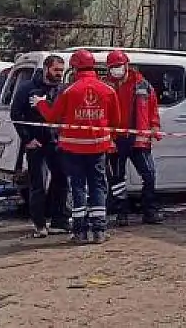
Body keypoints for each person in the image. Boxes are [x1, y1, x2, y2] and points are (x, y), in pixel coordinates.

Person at [31, 49, 119, 245]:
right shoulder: (108, 90)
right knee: (98, 187)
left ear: (74, 67)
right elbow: (116, 120)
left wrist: (41, 104)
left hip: (73, 150)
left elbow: (52, 117)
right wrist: (108, 138)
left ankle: (79, 232)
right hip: (98, 148)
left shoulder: (69, 91)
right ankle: (99, 231)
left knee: (78, 187)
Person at [11, 55, 70, 237]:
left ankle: (58, 221)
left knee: (61, 181)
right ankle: (39, 224)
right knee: (38, 184)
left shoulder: (62, 89)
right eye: (56, 70)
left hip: (56, 142)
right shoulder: (27, 88)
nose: (59, 74)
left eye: (61, 71)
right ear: (46, 69)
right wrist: (27, 139)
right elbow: (15, 114)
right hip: (35, 143)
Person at [104, 50, 163, 226]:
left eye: (118, 66)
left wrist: (154, 126)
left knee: (149, 175)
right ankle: (121, 213)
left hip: (139, 139)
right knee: (117, 179)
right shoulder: (106, 86)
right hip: (116, 139)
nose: (116, 70)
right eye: (112, 67)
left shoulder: (142, 84)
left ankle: (149, 211)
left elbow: (152, 108)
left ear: (126, 65)